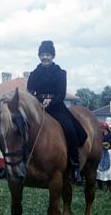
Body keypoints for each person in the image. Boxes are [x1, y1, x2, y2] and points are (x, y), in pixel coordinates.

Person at [27, 40, 87, 182]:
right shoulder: (34, 73)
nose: (45, 57)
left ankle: (75, 164)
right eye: (42, 55)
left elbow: (62, 93)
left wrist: (51, 101)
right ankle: (19, 164)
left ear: (53, 56)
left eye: (47, 54)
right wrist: (36, 100)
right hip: (37, 108)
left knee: (71, 129)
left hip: (57, 107)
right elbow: (29, 90)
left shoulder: (60, 72)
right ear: (39, 56)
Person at [96, 122, 111, 192]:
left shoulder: (110, 135)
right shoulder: (100, 135)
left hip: (107, 153)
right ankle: (100, 186)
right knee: (99, 170)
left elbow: (108, 145)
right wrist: (103, 144)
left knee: (108, 170)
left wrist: (100, 144)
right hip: (100, 152)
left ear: (104, 128)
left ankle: (109, 187)